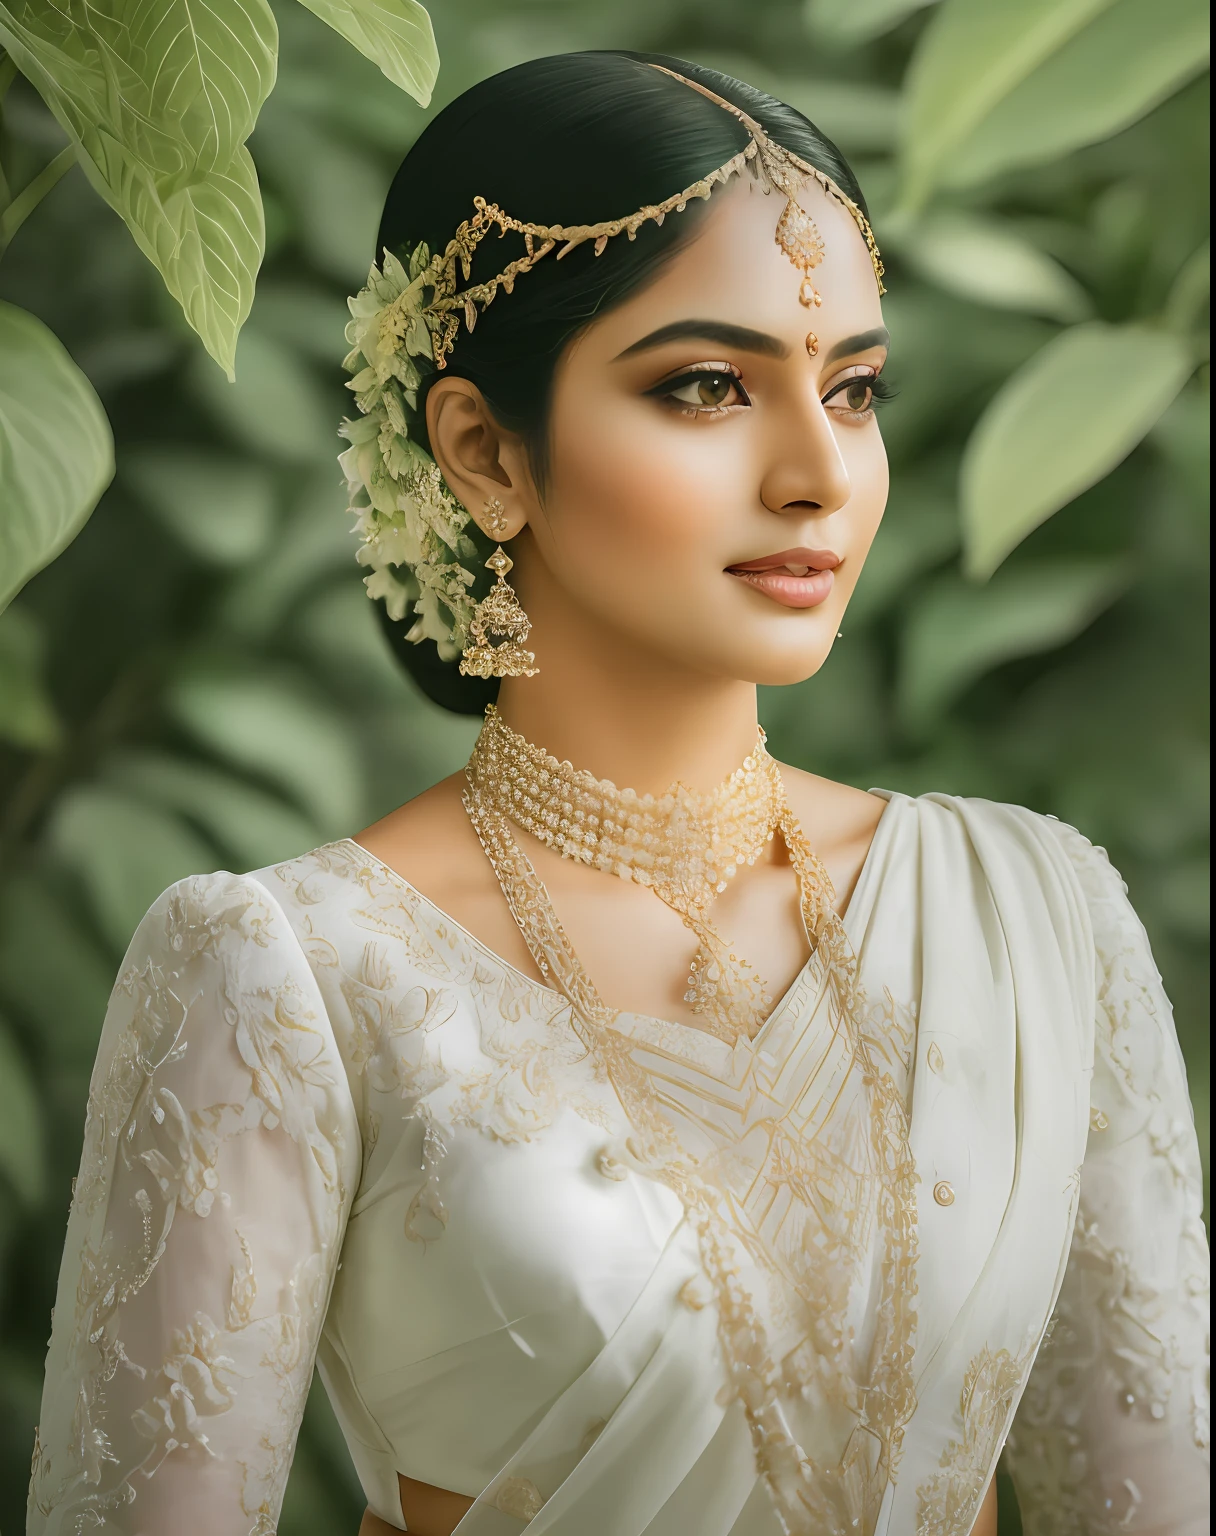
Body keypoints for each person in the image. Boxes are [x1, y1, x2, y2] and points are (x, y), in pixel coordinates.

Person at [26, 52, 1209, 1536]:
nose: (817, 475)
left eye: (853, 388)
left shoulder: (1035, 915)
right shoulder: (290, 976)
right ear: (481, 449)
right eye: (708, 386)